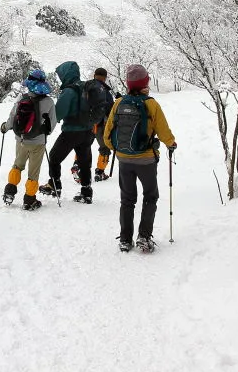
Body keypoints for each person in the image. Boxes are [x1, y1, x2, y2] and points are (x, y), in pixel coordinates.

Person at [103, 64, 176, 253]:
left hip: (124, 160)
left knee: (127, 200)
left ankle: (125, 240)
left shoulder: (119, 103)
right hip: (146, 160)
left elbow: (108, 133)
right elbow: (163, 130)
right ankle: (144, 236)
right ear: (145, 82)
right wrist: (171, 143)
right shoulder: (151, 104)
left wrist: (118, 150)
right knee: (150, 196)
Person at [39, 61, 97, 203]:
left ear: (65, 75)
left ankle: (54, 185)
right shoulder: (86, 87)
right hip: (88, 131)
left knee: (54, 157)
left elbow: (58, 113)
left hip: (71, 132)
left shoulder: (69, 91)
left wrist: (45, 126)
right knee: (84, 162)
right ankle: (86, 191)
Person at [0, 69, 57, 211]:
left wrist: (5, 127)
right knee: (33, 172)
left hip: (21, 139)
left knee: (17, 166)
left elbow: (12, 118)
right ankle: (29, 200)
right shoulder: (49, 102)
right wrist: (45, 133)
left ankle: (9, 192)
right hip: (38, 142)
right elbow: (52, 124)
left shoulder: (22, 98)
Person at [71, 67, 117, 183]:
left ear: (94, 75)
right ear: (105, 78)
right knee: (104, 147)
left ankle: (77, 165)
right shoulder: (105, 91)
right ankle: (100, 172)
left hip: (86, 124)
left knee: (84, 146)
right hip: (100, 125)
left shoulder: (86, 87)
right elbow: (110, 110)